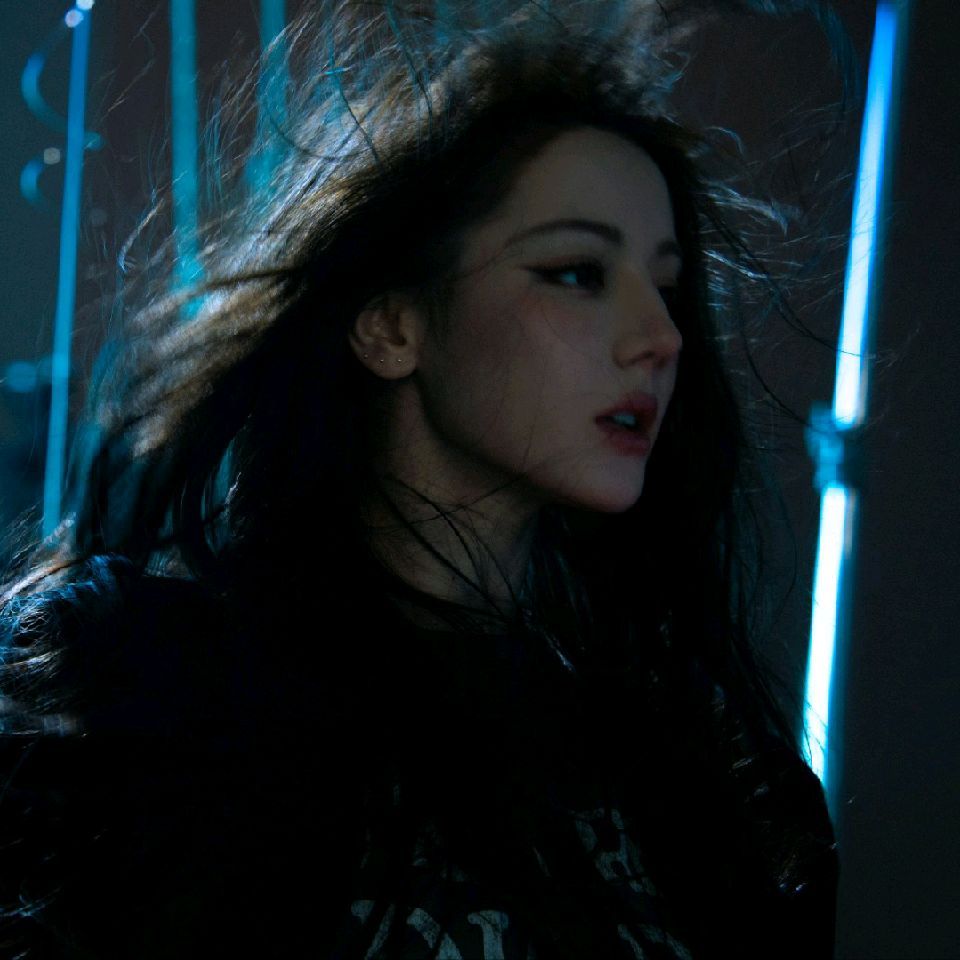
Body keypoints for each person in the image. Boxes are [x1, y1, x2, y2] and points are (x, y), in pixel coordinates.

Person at [0, 1, 849, 956]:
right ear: (393, 323)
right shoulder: (144, 698)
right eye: (576, 272)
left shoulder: (712, 778)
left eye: (668, 285)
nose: (661, 337)